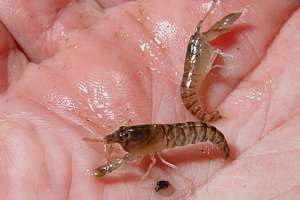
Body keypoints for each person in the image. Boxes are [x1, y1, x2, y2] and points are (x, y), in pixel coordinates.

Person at [0, 0, 299, 199]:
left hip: (196, 133)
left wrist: (103, 169)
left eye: (123, 135)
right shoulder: (144, 138)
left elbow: (133, 157)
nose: (120, 136)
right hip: (187, 132)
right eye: (124, 135)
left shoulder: (144, 146)